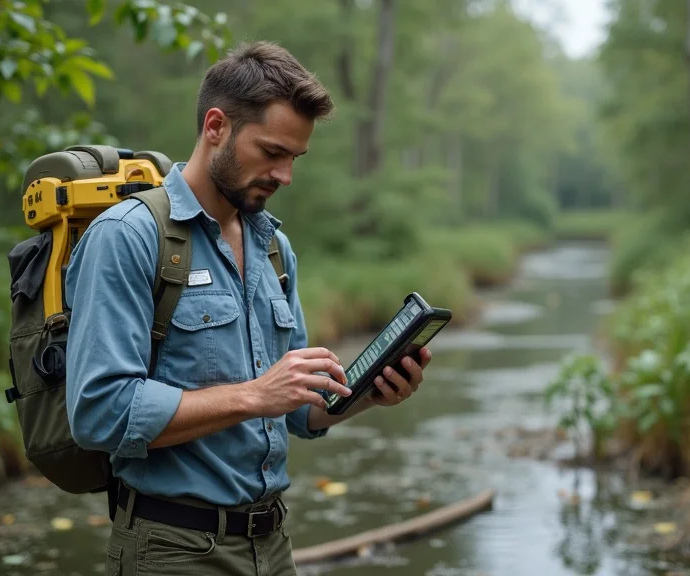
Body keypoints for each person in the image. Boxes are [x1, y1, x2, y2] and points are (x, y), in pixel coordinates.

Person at [64, 40, 434, 575]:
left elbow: (299, 411)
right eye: (272, 152)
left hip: (273, 546)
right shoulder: (127, 237)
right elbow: (99, 412)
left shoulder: (274, 249)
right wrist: (255, 395)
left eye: (294, 158)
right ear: (216, 126)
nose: (285, 176)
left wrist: (368, 395)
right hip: (172, 551)